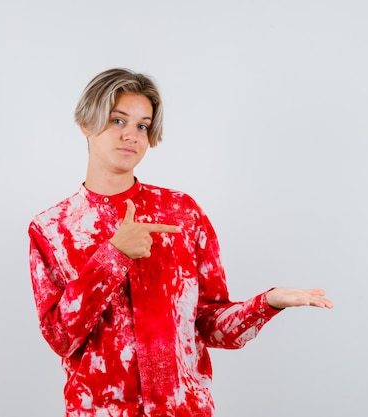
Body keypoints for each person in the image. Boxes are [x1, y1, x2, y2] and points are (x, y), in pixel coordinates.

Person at [28, 68, 333, 417]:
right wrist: (113, 256)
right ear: (86, 123)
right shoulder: (52, 228)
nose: (131, 135)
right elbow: (60, 338)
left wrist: (268, 302)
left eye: (142, 126)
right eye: (117, 120)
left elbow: (210, 326)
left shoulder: (181, 212)